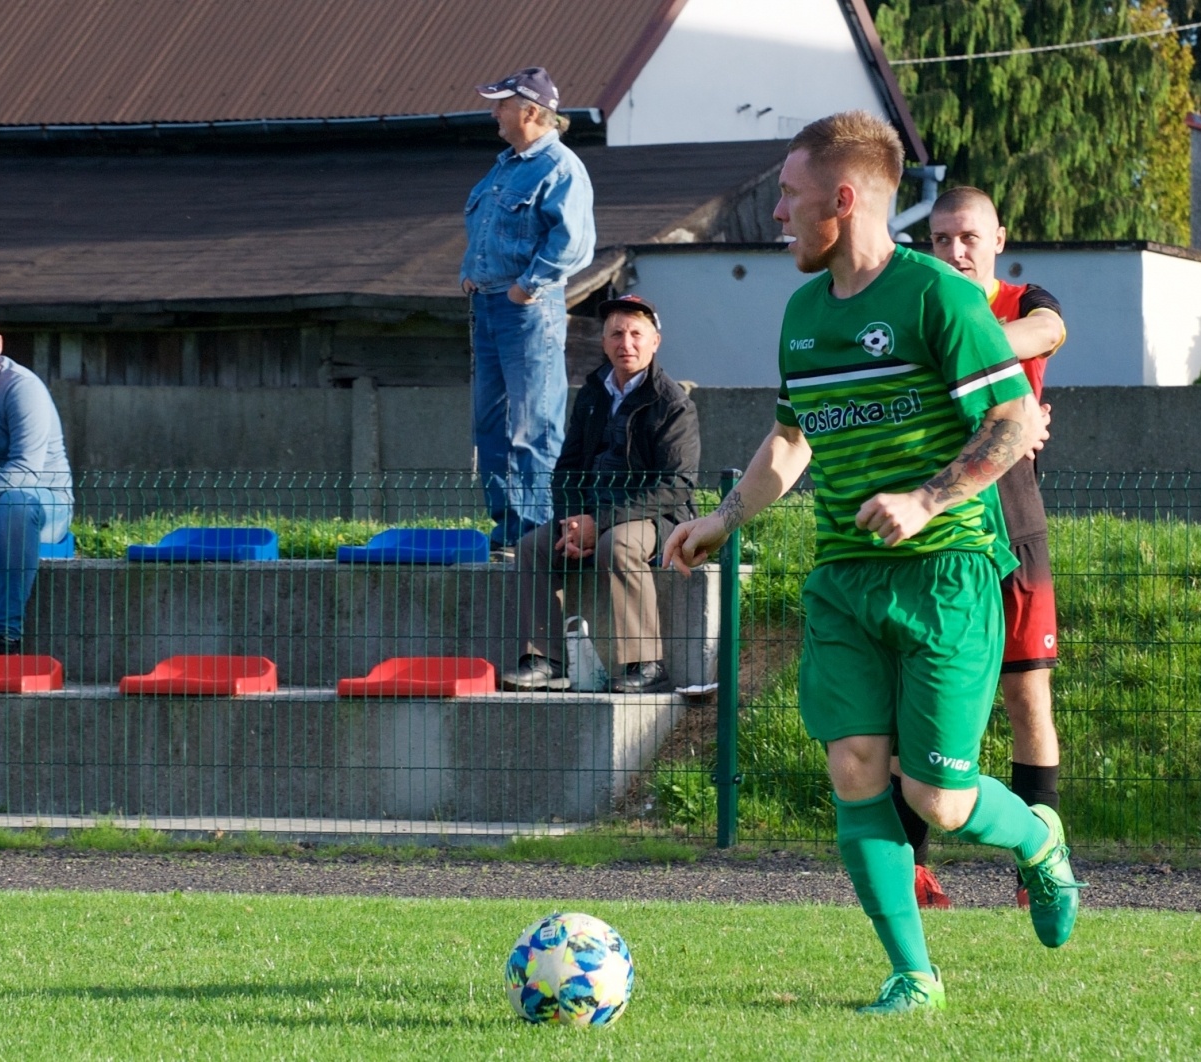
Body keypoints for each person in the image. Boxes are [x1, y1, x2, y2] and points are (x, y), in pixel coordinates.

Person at [664, 112, 1081, 1015]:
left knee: (939, 800)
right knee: (855, 771)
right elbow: (790, 443)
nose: (776, 212)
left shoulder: (939, 298)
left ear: (842, 200)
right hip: (845, 580)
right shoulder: (803, 314)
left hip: (946, 574)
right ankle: (913, 976)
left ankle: (1041, 843)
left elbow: (1012, 424)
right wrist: (724, 519)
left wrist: (927, 498)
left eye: (788, 194)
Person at [892, 186, 1069, 911]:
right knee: (912, 695)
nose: (955, 251)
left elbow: (1047, 332)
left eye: (968, 237)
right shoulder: (921, 301)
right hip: (935, 511)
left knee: (1028, 690)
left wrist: (974, 362)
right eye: (940, 240)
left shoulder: (1024, 301)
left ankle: (1040, 862)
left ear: (999, 236)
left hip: (1011, 505)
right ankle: (911, 868)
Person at [502, 294, 699, 695]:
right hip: (591, 515)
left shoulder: (673, 404)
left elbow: (677, 486)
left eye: (636, 334)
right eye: (616, 333)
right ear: (604, 342)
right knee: (529, 548)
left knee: (617, 546)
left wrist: (600, 524)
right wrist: (573, 523)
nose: (626, 343)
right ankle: (546, 661)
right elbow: (567, 468)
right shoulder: (593, 393)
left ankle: (646, 664)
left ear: (655, 341)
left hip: (658, 519)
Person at [461, 66, 596, 547]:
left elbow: (575, 243)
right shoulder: (505, 165)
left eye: (502, 104)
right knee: (490, 423)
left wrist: (527, 286)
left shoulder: (560, 166)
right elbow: (485, 230)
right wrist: (471, 275)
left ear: (532, 112)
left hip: (528, 309)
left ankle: (536, 532)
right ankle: (507, 529)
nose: (494, 112)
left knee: (532, 424)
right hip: (490, 306)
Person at [0, 302, 73, 654]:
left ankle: (6, 638)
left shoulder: (21, 388)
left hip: (40, 503)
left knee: (16, 502)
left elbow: (26, 470)